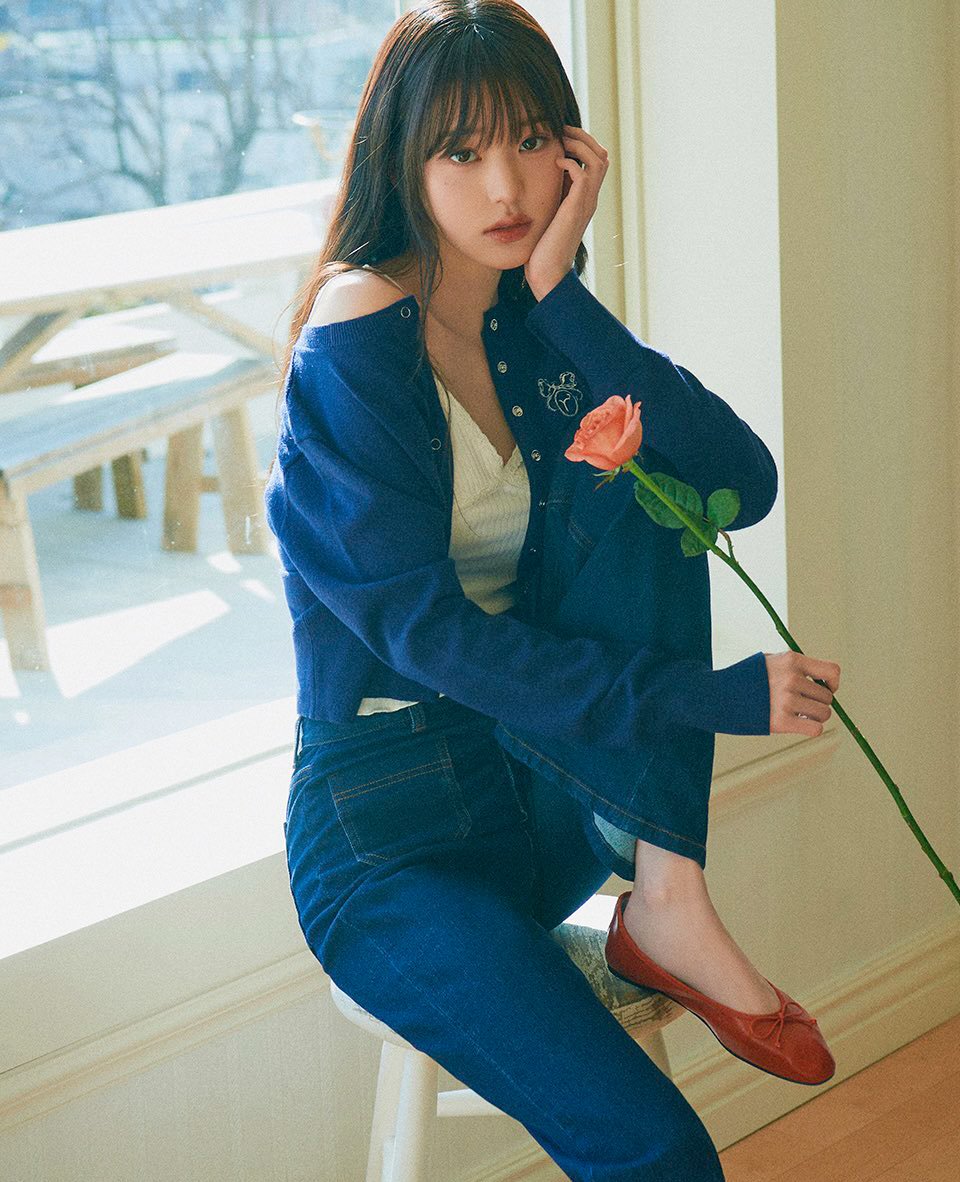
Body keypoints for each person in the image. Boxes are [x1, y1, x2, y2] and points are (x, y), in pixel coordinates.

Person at [264, 2, 840, 1177]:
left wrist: (560, 289)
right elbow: (426, 634)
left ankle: (669, 896)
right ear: (404, 161)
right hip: (393, 840)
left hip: (542, 799)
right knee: (653, 1144)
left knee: (652, 478)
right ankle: (663, 901)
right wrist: (701, 697)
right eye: (462, 150)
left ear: (573, 151)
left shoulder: (533, 325)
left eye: (531, 140)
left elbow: (737, 485)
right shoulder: (357, 330)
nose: (505, 184)